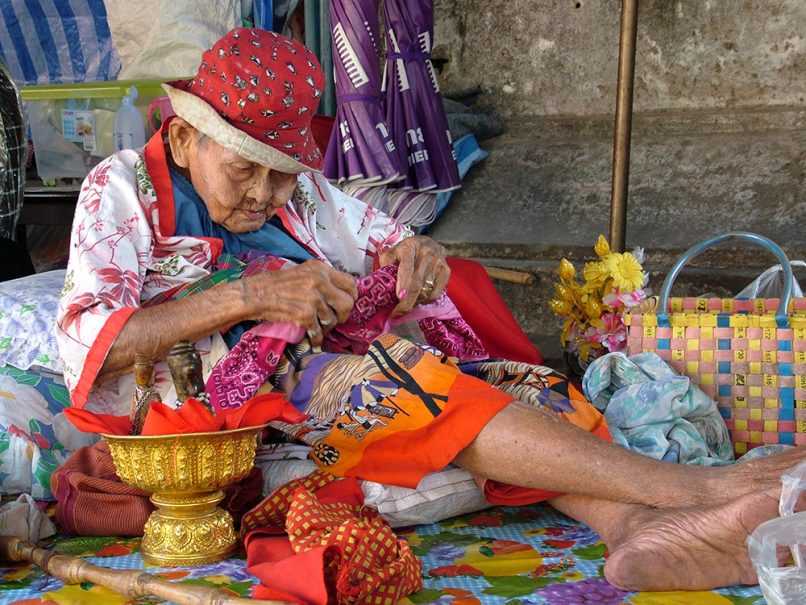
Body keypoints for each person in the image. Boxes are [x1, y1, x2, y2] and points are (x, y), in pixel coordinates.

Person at [55, 28, 805, 592]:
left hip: (307, 382)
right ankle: (697, 490)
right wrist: (249, 296)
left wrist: (421, 258)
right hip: (215, 415)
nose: (262, 195)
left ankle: (635, 527)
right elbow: (89, 340)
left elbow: (387, 238)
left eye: (281, 178)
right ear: (184, 137)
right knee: (403, 382)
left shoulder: (299, 193)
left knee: (520, 381)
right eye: (243, 171)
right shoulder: (118, 192)